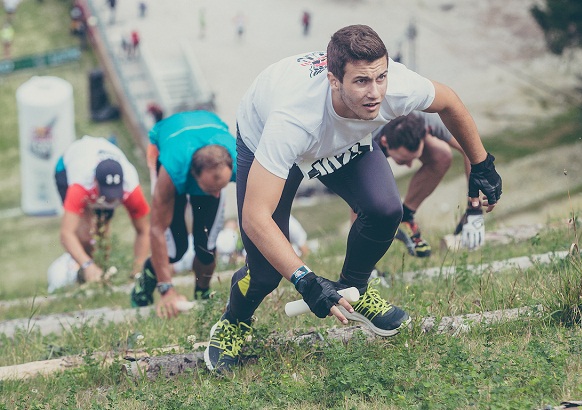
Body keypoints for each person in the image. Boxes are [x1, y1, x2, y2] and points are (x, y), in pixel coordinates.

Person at [204, 24, 502, 373]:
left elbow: (449, 101)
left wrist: (482, 163)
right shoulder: (293, 121)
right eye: (361, 81)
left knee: (385, 210)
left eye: (380, 77)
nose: (375, 92)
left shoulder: (395, 88)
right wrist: (306, 280)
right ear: (334, 81)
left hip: (343, 140)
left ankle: (355, 290)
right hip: (270, 141)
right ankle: (233, 322)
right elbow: (256, 217)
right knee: (267, 271)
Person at [130, 110, 237, 320]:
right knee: (174, 250)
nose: (216, 194)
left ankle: (203, 294)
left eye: (221, 187)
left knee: (206, 247)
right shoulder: (172, 170)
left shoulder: (238, 158)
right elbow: (156, 229)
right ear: (193, 175)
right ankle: (144, 288)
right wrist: (167, 289)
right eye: (210, 188)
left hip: (208, 145)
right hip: (170, 149)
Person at [374, 111, 485, 255]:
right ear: (384, 142)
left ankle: (405, 217)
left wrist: (474, 210)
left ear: (426, 131)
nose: (409, 166)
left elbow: (472, 150)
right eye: (402, 160)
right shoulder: (369, 135)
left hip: (406, 123)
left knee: (441, 156)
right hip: (345, 157)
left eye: (413, 158)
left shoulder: (428, 121)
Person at [54, 135, 150, 283]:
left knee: (101, 231)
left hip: (100, 158)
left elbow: (144, 230)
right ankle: (86, 272)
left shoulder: (131, 187)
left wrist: (137, 270)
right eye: (107, 194)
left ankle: (102, 273)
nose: (110, 200)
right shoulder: (81, 185)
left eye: (114, 195)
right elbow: (66, 234)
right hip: (66, 167)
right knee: (85, 234)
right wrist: (87, 264)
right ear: (95, 182)